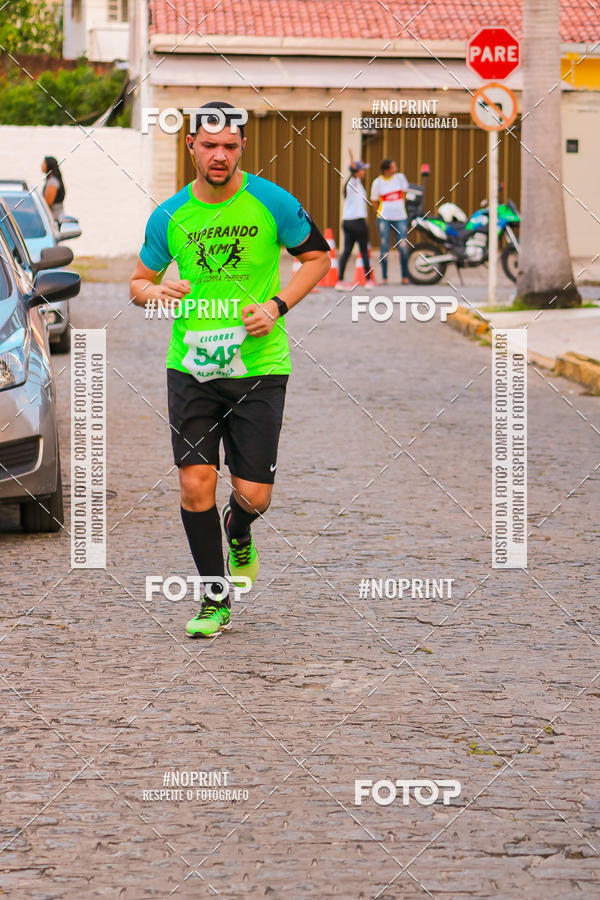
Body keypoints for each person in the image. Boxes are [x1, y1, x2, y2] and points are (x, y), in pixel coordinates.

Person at [129, 101, 330, 638]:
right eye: (209, 145)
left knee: (253, 494)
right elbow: (137, 284)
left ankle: (238, 528)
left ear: (241, 148)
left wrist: (277, 306)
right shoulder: (169, 215)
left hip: (259, 368)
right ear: (190, 144)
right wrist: (157, 291)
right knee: (196, 484)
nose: (220, 155)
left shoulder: (272, 201)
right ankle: (214, 599)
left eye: (230, 147)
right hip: (190, 369)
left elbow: (318, 259)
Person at [370, 159, 410, 284]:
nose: (395, 169)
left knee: (403, 246)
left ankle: (405, 276)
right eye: (393, 167)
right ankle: (385, 277)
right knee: (384, 247)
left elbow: (404, 193)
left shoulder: (400, 178)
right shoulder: (377, 182)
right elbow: (374, 201)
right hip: (384, 218)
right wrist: (379, 214)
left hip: (400, 217)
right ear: (386, 170)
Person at [335, 160, 373, 291]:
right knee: (362, 251)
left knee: (348, 251)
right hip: (357, 222)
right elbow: (353, 179)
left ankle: (340, 280)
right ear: (357, 171)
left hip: (348, 221)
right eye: (362, 170)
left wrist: (355, 172)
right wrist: (353, 173)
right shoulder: (352, 183)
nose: (364, 172)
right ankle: (368, 281)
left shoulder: (357, 184)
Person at [42, 156, 66, 222]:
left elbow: (47, 203)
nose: (41, 166)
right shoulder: (53, 180)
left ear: (49, 165)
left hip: (54, 219)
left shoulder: (52, 182)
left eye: (43, 164)